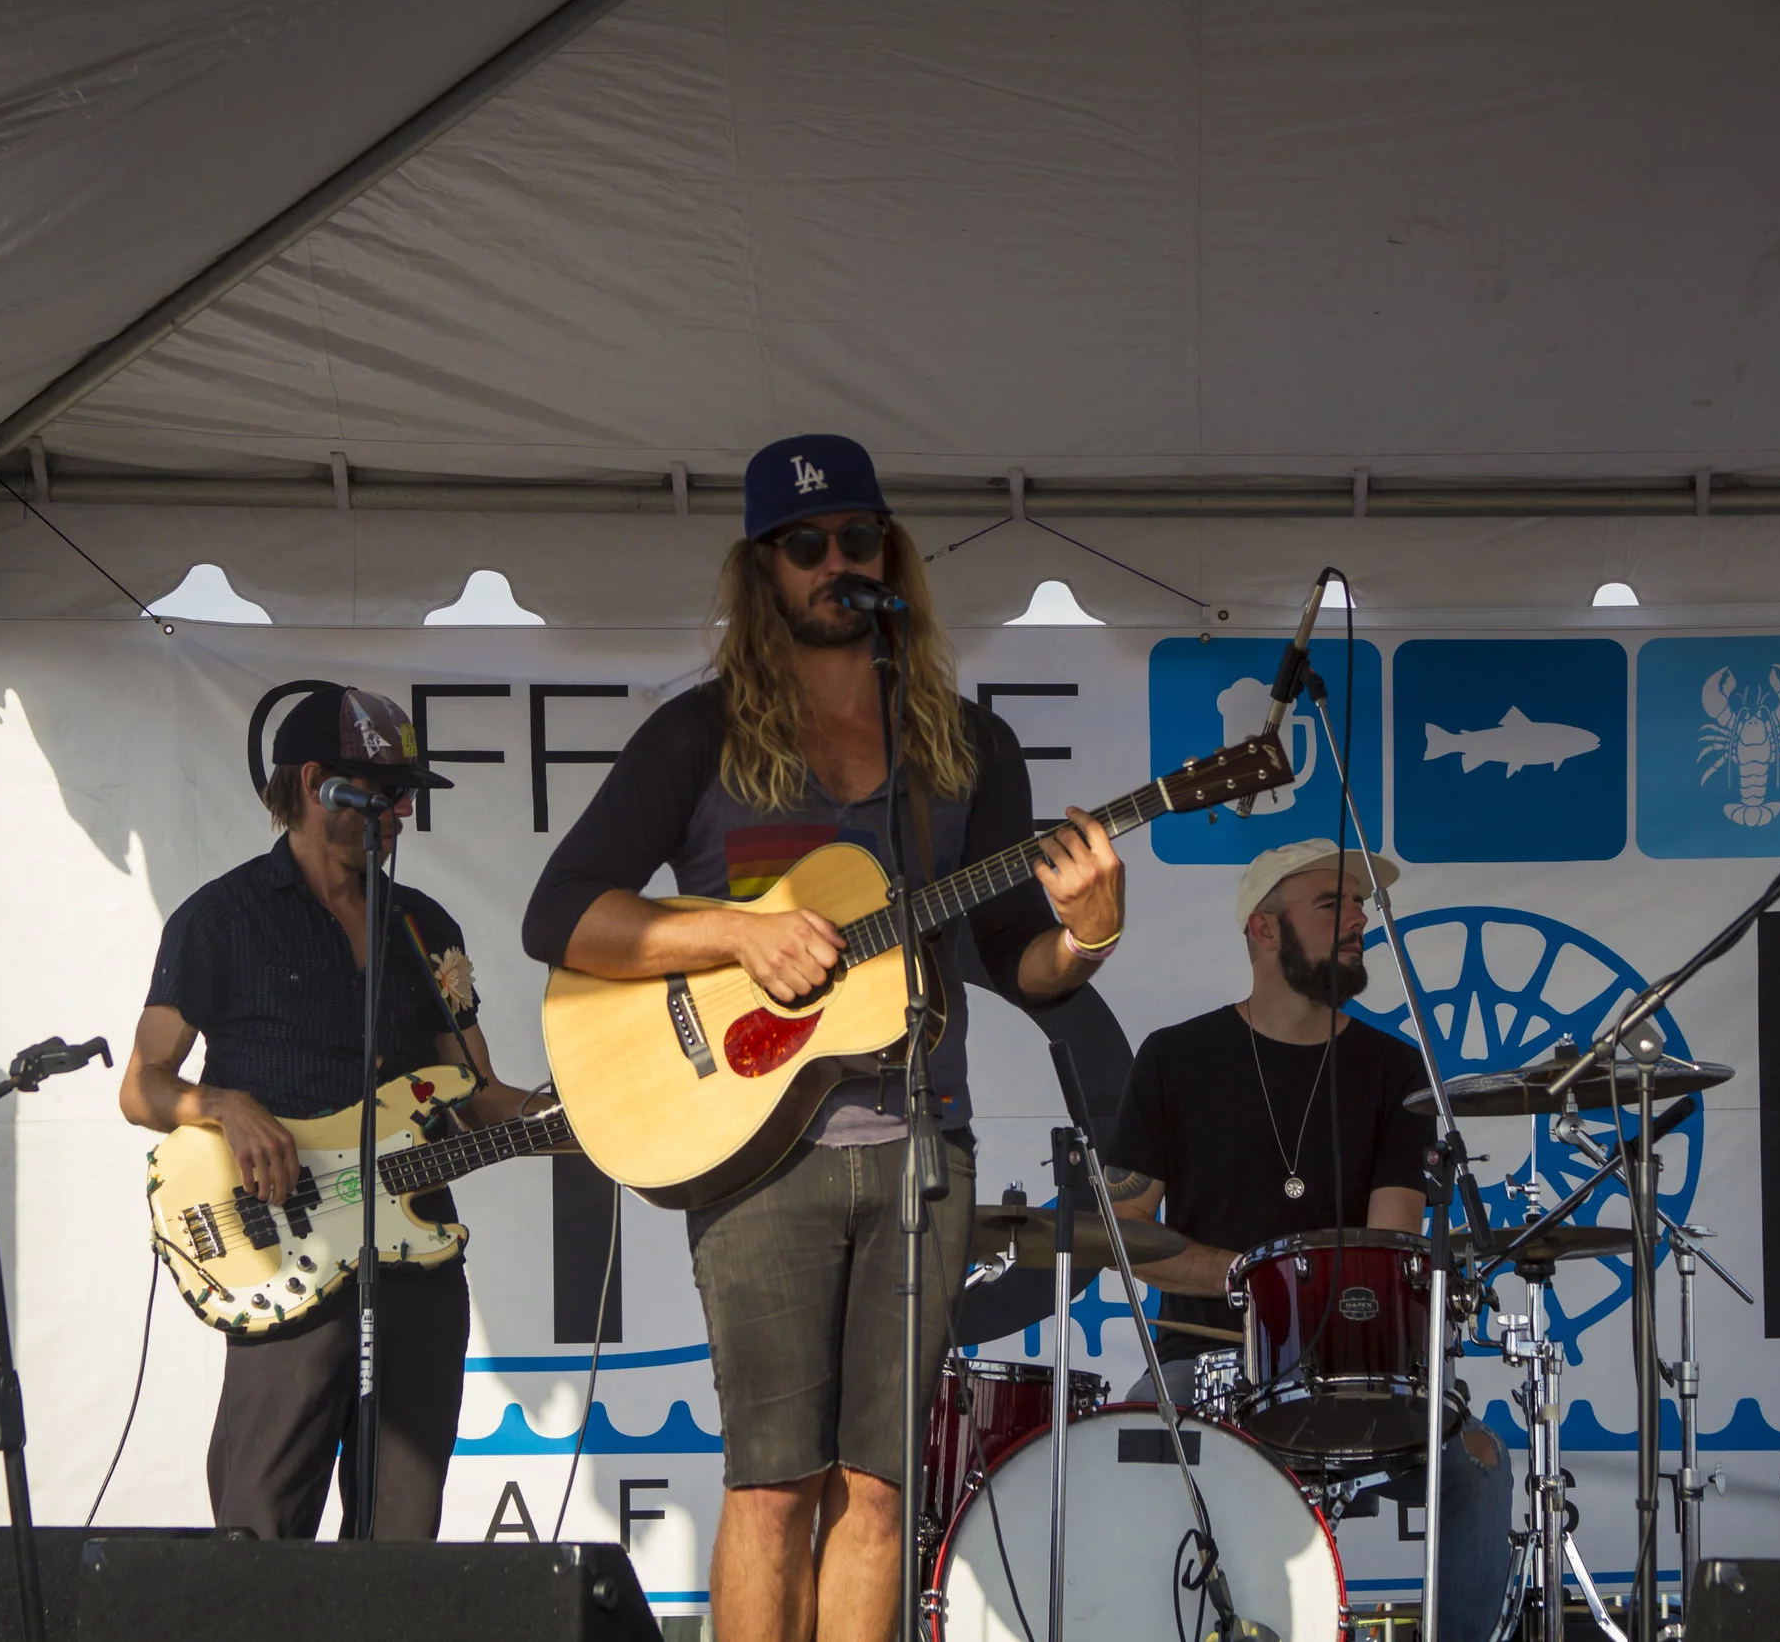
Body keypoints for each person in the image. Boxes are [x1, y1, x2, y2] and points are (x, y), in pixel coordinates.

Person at [520, 433, 1125, 1642]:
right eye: (806, 545)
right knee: (771, 1480)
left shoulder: (965, 745)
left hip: (923, 1148)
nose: (835, 561)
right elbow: (561, 914)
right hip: (759, 1159)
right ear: (764, 571)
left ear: (889, 553)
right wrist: (734, 942)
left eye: (857, 538)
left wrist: (1090, 938)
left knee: (879, 1486)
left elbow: (1017, 956)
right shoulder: (697, 738)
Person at [121, 686, 543, 1538]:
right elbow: (143, 1086)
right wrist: (224, 1105)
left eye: (407, 795)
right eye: (386, 792)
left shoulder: (423, 925)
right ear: (317, 782)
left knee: (400, 1542)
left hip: (418, 1261)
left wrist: (586, 1118)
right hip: (287, 1253)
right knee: (262, 1533)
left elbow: (476, 1095)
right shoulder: (221, 918)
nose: (403, 812)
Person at [1107, 839, 1514, 1641]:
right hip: (1206, 1365)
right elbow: (1120, 1230)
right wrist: (1245, 1276)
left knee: (1478, 1463)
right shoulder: (1174, 1058)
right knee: (1134, 1440)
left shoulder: (1395, 1069)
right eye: (1333, 904)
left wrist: (1310, 1296)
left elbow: (1390, 1238)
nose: (1359, 919)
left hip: (1355, 1373)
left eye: (1360, 905)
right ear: (1263, 930)